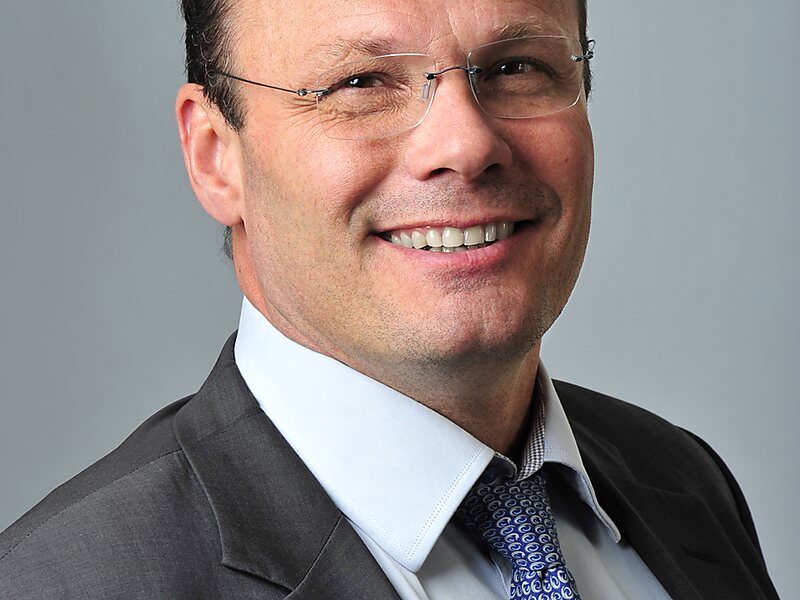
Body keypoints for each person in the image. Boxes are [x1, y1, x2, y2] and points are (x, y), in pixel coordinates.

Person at [0, 0, 780, 598]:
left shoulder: (683, 482)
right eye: (361, 83)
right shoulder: (67, 584)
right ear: (215, 157)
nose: (466, 144)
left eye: (516, 66)